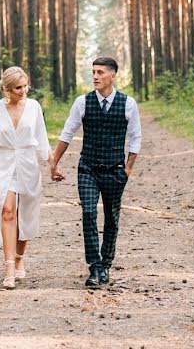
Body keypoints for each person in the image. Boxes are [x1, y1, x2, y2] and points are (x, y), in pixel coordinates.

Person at [48, 56, 142, 287]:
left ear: (113, 75)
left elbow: (135, 137)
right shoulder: (82, 102)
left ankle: (106, 264)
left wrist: (128, 169)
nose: (96, 77)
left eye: (100, 72)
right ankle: (94, 267)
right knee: (89, 213)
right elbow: (67, 133)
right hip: (88, 168)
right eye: (93, 72)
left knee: (111, 218)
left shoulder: (128, 104)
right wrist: (54, 163)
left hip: (115, 170)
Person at [0, 66, 51, 289]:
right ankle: (9, 266)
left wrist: (53, 165)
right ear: (7, 89)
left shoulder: (34, 107)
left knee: (25, 213)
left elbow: (42, 138)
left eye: (25, 85)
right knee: (7, 211)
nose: (23, 90)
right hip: (4, 163)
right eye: (18, 87)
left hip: (28, 163)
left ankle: (20, 257)